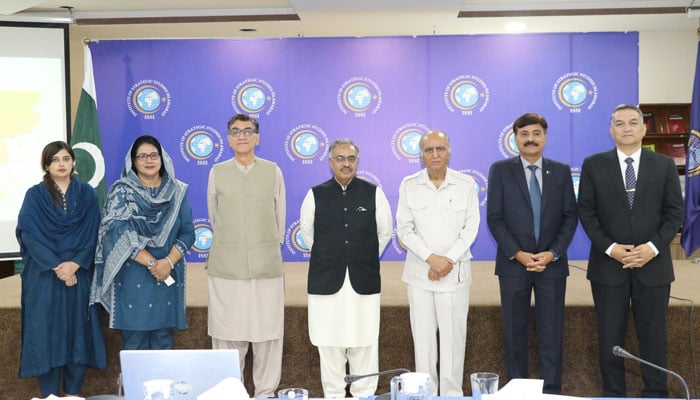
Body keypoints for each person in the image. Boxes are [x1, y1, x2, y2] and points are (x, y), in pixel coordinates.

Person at [578, 104, 684, 397]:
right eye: (620, 123)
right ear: (611, 131)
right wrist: (610, 248)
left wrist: (652, 248)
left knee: (653, 337)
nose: (626, 128)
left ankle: (655, 393)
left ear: (643, 128)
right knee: (610, 338)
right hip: (608, 267)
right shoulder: (593, 164)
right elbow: (586, 212)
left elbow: (675, 213)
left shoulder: (663, 165)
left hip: (653, 266)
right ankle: (614, 393)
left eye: (633, 122)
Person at [486, 113, 578, 394]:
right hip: (514, 265)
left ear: (545, 137)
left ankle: (551, 391)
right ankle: (518, 390)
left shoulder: (560, 171)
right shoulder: (500, 170)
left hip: (552, 265)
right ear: (515, 138)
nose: (530, 139)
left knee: (551, 333)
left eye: (536, 133)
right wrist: (518, 253)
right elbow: (495, 218)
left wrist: (553, 253)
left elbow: (569, 217)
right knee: (515, 333)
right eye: (524, 134)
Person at [299, 138, 393, 398]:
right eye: (340, 158)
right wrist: (334, 255)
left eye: (351, 159)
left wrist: (360, 256)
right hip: (326, 281)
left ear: (357, 163)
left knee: (364, 344)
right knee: (329, 345)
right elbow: (308, 235)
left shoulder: (373, 193)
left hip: (363, 281)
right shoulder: (315, 194)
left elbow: (384, 233)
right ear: (330, 162)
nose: (346, 163)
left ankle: (364, 395)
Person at [16, 141, 106, 397]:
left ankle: (73, 395)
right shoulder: (35, 195)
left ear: (73, 162)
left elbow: (94, 233)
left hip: (80, 274)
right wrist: (59, 267)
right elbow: (28, 234)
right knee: (47, 335)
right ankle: (49, 396)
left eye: (66, 158)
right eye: (55, 160)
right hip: (45, 277)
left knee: (78, 333)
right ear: (46, 165)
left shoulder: (87, 193)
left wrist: (75, 264)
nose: (62, 164)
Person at [206, 114, 286, 398]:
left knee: (268, 335)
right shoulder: (217, 172)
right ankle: (232, 393)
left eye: (247, 131)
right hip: (227, 267)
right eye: (236, 131)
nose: (242, 136)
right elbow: (215, 218)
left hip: (266, 267)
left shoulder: (272, 171)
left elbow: (279, 218)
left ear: (257, 137)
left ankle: (265, 393)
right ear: (228, 138)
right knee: (228, 335)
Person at [395, 130, 480, 396]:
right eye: (429, 150)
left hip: (454, 275)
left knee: (454, 343)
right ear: (420, 155)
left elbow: (471, 227)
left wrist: (448, 260)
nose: (435, 155)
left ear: (449, 152)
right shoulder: (409, 185)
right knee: (423, 343)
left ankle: (452, 396)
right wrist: (432, 259)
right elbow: (404, 229)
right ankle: (425, 395)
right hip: (420, 275)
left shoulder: (466, 184)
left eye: (440, 149)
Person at [91, 135, 195, 350]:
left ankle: (164, 384)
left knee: (163, 340)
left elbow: (187, 233)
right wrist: (153, 264)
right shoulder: (122, 191)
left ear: (163, 159)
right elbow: (117, 233)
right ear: (133, 162)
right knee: (134, 342)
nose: (149, 160)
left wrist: (167, 262)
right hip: (133, 274)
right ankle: (135, 385)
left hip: (168, 272)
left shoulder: (176, 191)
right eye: (142, 156)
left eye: (154, 155)